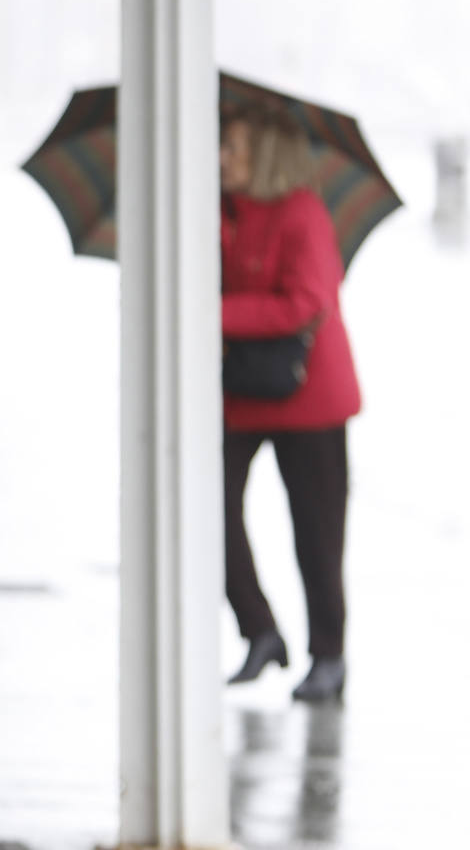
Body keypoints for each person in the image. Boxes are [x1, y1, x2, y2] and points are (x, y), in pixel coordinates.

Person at [219, 102, 360, 703]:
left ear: (265, 156)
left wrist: (214, 315)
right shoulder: (211, 209)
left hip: (311, 397)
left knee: (317, 536)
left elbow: (308, 301)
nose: (221, 158)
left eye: (233, 148)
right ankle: (260, 632)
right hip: (239, 392)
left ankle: (328, 657)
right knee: (208, 513)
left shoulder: (303, 213)